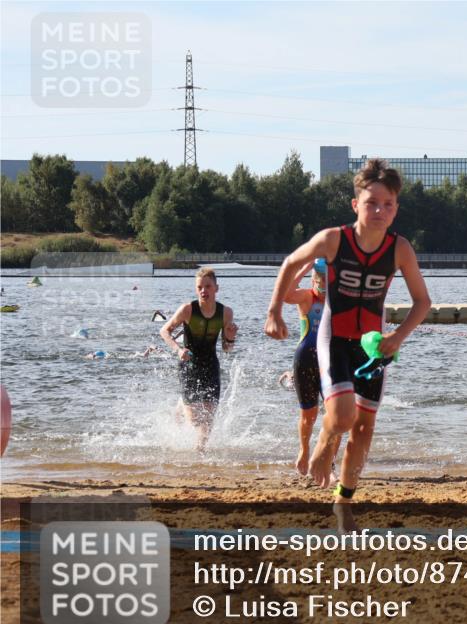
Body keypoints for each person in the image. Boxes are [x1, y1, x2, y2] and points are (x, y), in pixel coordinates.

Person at [264, 158, 431, 533]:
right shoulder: (334, 239)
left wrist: (396, 337)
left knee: (365, 429)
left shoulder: (399, 248)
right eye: (371, 203)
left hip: (374, 347)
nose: (380, 211)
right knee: (341, 418)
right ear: (356, 204)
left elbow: (423, 302)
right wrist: (275, 311)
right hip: (334, 338)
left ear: (396, 209)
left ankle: (344, 501)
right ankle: (324, 441)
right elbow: (292, 262)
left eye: (388, 205)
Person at [160, 268, 238, 451]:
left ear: (216, 288)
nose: (204, 291)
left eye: (208, 286)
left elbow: (227, 349)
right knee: (195, 419)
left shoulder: (225, 313)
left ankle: (199, 452)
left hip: (211, 365)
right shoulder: (188, 310)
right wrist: (178, 349)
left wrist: (231, 337)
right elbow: (164, 330)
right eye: (200, 287)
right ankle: (182, 404)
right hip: (189, 364)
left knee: (208, 418)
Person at [282, 258, 328, 475]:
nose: (323, 283)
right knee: (309, 414)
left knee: (335, 413)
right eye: (319, 279)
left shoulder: (337, 301)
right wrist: (307, 266)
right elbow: (286, 294)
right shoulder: (306, 297)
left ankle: (328, 458)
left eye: (327, 279)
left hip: (330, 361)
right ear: (313, 280)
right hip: (306, 360)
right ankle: (304, 449)